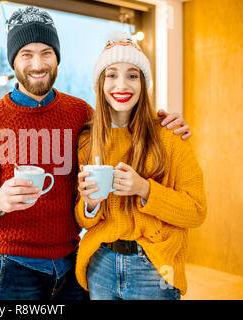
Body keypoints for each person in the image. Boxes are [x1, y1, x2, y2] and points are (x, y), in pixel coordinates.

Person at [0, 7, 191, 300]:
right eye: (26, 54)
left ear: (57, 58)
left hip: (73, 264)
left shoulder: (79, 113)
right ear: (13, 60)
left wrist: (162, 120)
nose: (38, 64)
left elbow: (119, 122)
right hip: (13, 267)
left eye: (46, 53)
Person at [75, 32, 207, 300]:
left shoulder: (169, 135)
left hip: (154, 267)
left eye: (132, 75)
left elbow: (196, 211)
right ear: (100, 83)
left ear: (143, 83)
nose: (121, 84)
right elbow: (82, 218)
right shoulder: (87, 141)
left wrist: (145, 189)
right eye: (111, 74)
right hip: (100, 264)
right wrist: (90, 204)